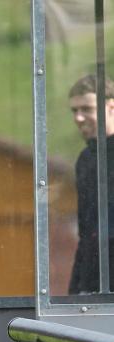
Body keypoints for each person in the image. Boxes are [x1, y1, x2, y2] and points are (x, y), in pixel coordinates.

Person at [68, 74, 114, 294]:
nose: (78, 118)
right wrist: (77, 287)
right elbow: (86, 231)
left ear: (111, 107)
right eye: (74, 110)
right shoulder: (86, 159)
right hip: (94, 276)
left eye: (86, 109)